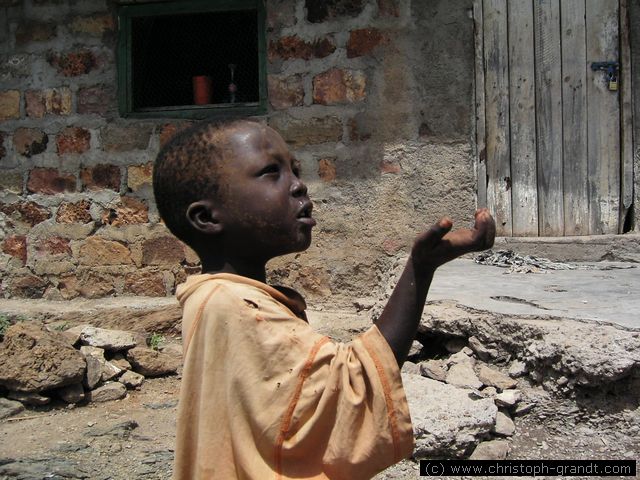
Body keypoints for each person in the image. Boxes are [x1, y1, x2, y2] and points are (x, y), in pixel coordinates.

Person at [153, 119, 496, 480]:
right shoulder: (237, 305)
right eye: (272, 172)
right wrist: (420, 268)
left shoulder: (215, 294)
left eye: (294, 170)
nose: (299, 185)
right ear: (207, 217)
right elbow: (350, 385)